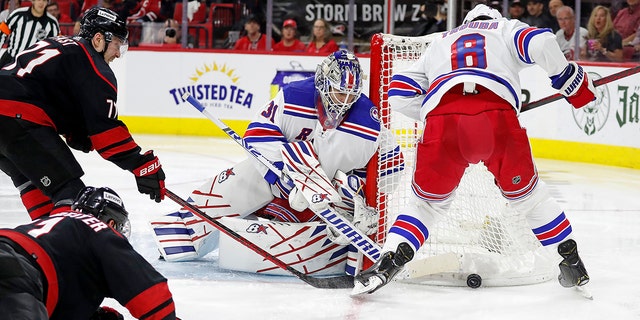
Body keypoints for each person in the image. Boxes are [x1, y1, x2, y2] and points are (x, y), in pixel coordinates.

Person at [353, 4, 594, 295]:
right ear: (495, 18)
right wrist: (569, 81)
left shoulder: (441, 41)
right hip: (496, 120)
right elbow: (543, 41)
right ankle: (569, 260)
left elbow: (399, 92)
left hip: (443, 125)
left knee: (426, 205)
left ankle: (391, 257)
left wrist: (434, 111)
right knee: (531, 200)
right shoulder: (506, 28)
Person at [150, 50, 404, 269]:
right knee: (239, 181)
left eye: (351, 95)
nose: (345, 101)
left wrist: (361, 195)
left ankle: (311, 230)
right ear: (324, 83)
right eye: (339, 93)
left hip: (327, 201)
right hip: (281, 182)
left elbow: (393, 166)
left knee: (336, 190)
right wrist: (282, 174)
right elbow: (258, 134)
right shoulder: (293, 96)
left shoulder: (368, 120)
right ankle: (183, 235)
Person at [0, 7, 166, 222]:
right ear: (98, 39)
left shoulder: (61, 44)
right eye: (117, 44)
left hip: (9, 121)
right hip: (19, 119)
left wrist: (76, 132)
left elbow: (51, 96)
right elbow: (106, 132)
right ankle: (62, 248)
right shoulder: (94, 66)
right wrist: (141, 164)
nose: (117, 53)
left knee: (39, 186)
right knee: (71, 194)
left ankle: (44, 243)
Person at [0, 186, 178, 319]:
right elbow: (153, 296)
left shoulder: (62, 227)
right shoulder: (99, 230)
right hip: (16, 272)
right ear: (111, 223)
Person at [0, 0, 60, 67]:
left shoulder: (52, 23)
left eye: (44, 0)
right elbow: (2, 33)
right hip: (10, 59)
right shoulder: (17, 14)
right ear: (32, 1)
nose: (41, 2)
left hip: (33, 66)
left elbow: (56, 46)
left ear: (47, 2)